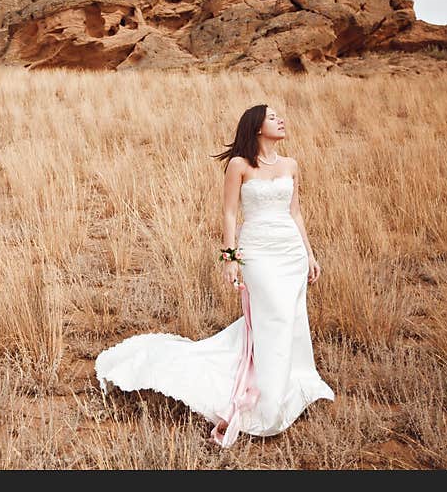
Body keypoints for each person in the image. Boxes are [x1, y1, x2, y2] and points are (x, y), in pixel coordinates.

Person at [94, 103, 335, 447]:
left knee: (291, 319)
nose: (281, 120)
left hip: (290, 252)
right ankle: (265, 400)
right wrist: (230, 258)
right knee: (274, 317)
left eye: (280, 116)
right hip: (258, 253)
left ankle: (289, 388)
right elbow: (229, 213)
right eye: (272, 117)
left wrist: (310, 254)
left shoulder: (290, 165)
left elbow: (296, 212)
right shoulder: (239, 165)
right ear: (255, 127)